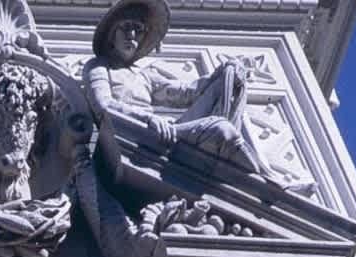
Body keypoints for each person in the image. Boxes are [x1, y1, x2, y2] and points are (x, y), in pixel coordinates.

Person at [83, 0, 260, 173]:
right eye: (126, 27)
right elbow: (103, 105)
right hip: (135, 133)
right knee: (221, 129)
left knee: (227, 81)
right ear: (112, 33)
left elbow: (188, 93)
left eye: (138, 29)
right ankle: (263, 181)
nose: (132, 34)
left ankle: (261, 176)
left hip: (161, 133)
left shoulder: (144, 75)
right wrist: (149, 119)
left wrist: (222, 73)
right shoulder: (98, 67)